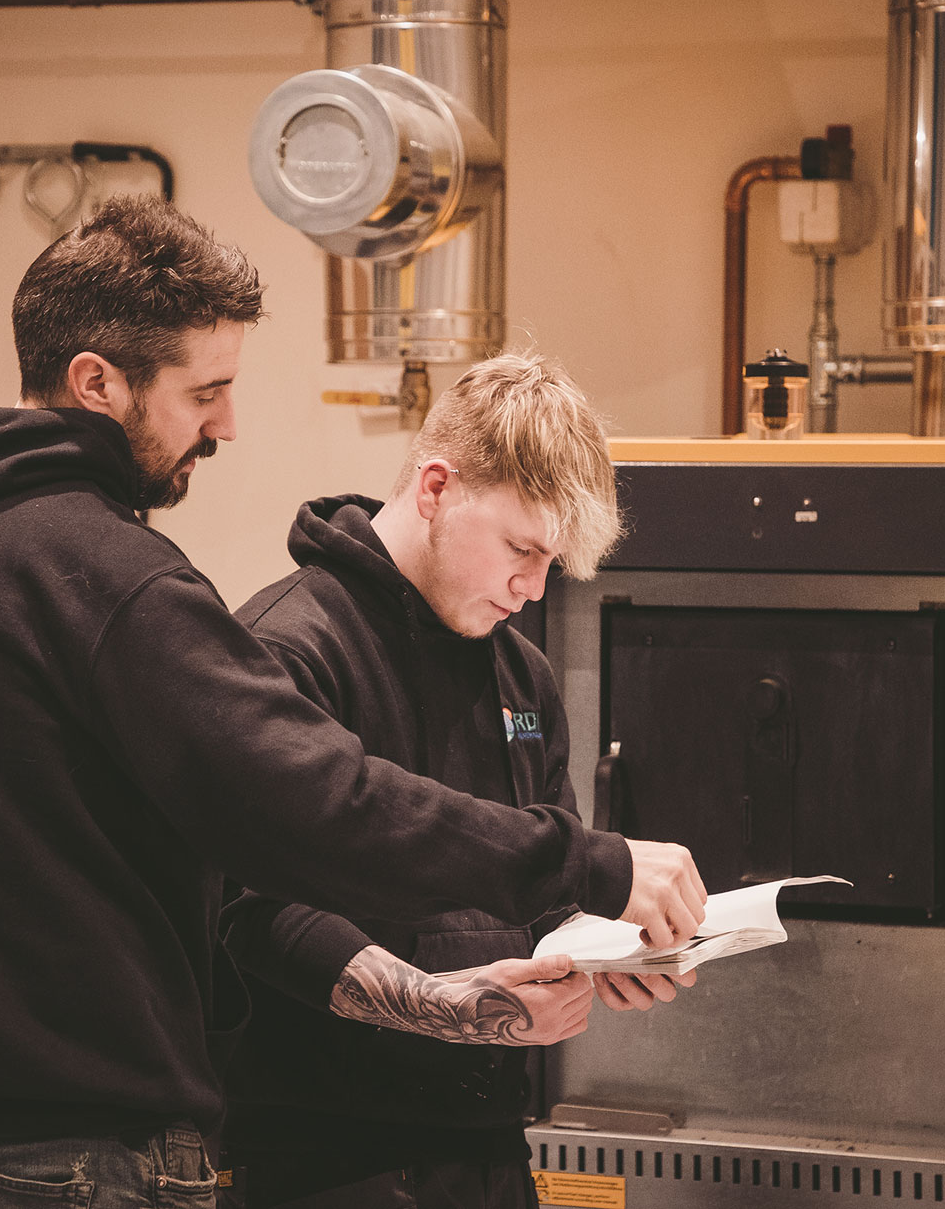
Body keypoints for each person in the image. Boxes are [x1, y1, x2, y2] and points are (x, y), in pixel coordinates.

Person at [0, 197, 706, 1208]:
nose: (226, 424)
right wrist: (589, 860)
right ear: (98, 382)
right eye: (205, 391)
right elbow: (313, 813)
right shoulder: (113, 577)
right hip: (90, 1159)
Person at [220, 353, 699, 1209]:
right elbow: (254, 913)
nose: (533, 585)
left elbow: (544, 894)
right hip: (325, 1159)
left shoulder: (523, 677)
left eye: (552, 560)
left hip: (487, 1149)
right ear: (436, 488)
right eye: (521, 548)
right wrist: (444, 1005)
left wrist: (604, 953)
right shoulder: (286, 650)